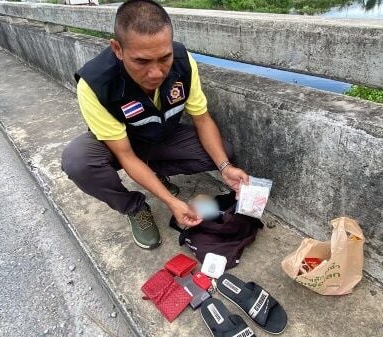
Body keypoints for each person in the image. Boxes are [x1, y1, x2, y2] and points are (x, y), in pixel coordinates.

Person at [61, 0, 249, 250]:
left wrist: (225, 168)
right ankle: (135, 207)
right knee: (78, 162)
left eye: (164, 58)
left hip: (160, 138)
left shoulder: (183, 62)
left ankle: (155, 174)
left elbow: (202, 119)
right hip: (119, 146)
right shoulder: (96, 84)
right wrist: (171, 200)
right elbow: (125, 155)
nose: (156, 73)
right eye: (142, 61)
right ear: (118, 49)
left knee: (221, 153)